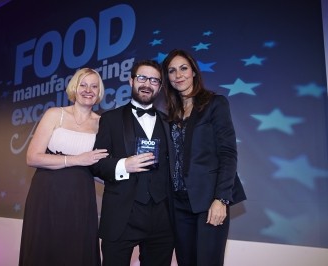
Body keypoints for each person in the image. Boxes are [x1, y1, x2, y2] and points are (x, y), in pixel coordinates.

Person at [161, 49, 247, 266]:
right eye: (172, 71)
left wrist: (221, 199)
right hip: (178, 203)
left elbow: (228, 153)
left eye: (183, 68)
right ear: (168, 78)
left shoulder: (215, 103)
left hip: (209, 201)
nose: (178, 75)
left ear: (194, 72)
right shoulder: (170, 114)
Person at [19, 68, 109, 266]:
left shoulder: (102, 123)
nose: (88, 90)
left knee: (76, 250)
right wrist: (76, 159)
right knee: (43, 249)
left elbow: (98, 167)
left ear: (99, 91)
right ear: (74, 88)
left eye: (94, 86)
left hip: (81, 196)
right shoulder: (54, 114)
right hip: (47, 192)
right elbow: (32, 157)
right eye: (83, 85)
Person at [90, 60, 175, 266]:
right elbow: (97, 164)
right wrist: (123, 166)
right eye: (142, 78)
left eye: (154, 80)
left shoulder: (170, 122)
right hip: (121, 215)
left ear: (160, 87)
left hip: (162, 219)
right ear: (131, 81)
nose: (147, 84)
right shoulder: (110, 119)